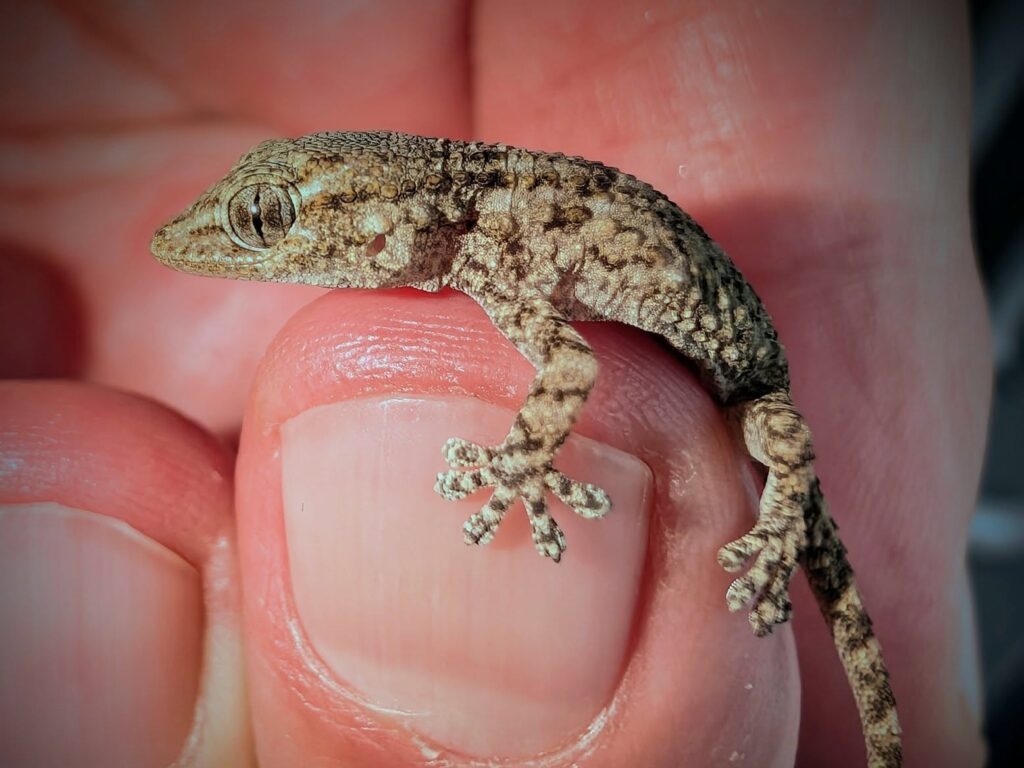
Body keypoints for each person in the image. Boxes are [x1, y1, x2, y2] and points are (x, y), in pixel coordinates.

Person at [0, 1, 988, 766]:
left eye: (267, 218)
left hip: (747, 390)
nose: (217, 238)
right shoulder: (479, 239)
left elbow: (570, 365)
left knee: (794, 502)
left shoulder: (498, 250)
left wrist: (523, 467)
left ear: (379, 223)